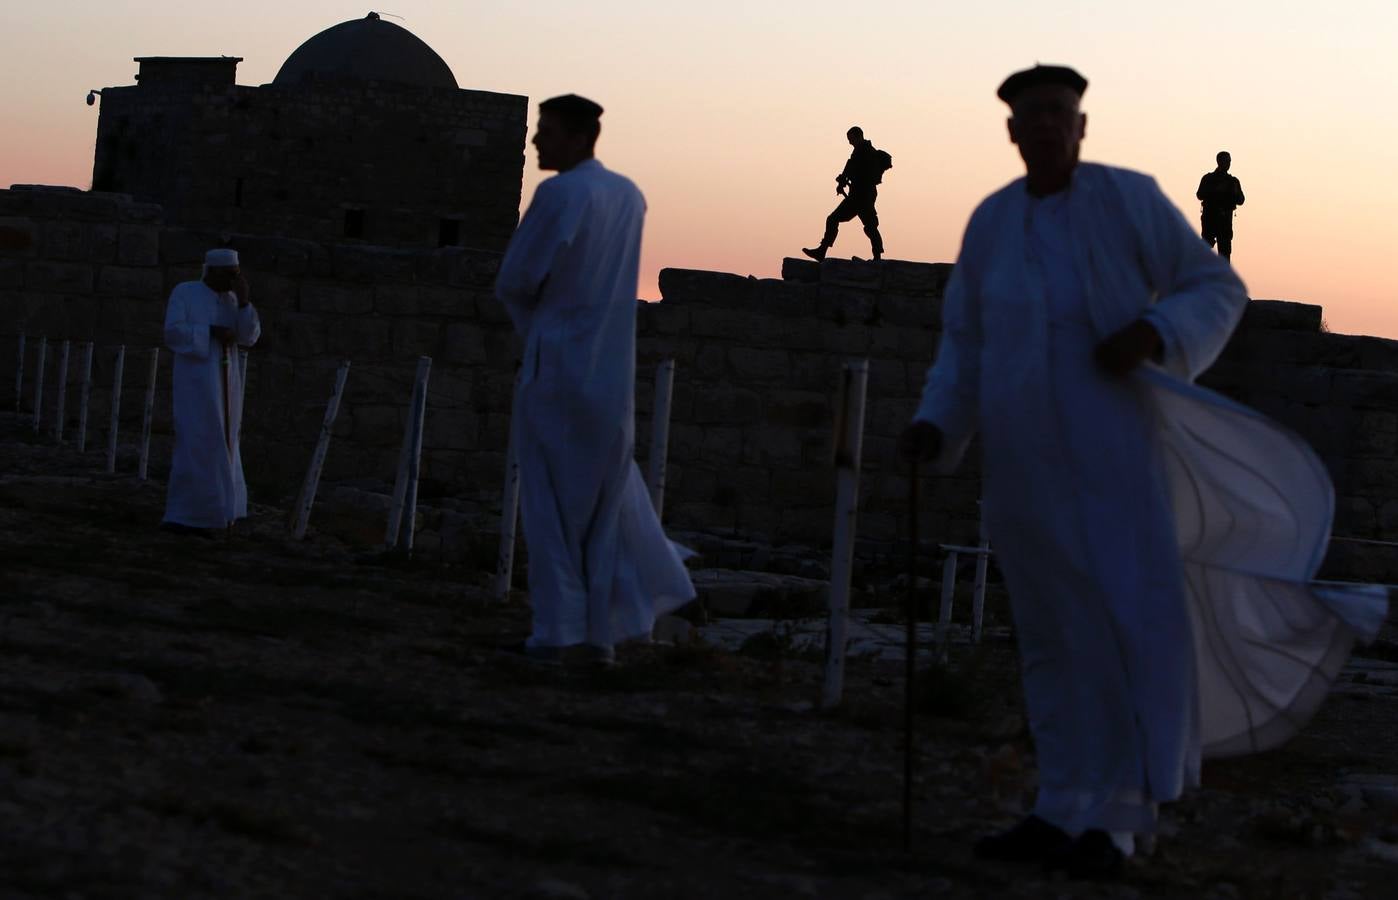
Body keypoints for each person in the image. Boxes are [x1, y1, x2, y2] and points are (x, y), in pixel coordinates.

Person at [899, 65, 1386, 879]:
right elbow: (966, 342)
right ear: (1012, 132)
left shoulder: (1128, 199)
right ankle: (1059, 805)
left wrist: (1156, 332)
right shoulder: (990, 224)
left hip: (1115, 456)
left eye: (1061, 113)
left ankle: (1116, 825)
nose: (1048, 126)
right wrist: (937, 423)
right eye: (1032, 116)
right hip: (1023, 465)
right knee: (1052, 638)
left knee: (1123, 629)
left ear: (1081, 126)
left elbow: (1214, 284)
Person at [494, 94, 695, 666]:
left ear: (579, 138)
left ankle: (560, 634)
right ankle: (602, 634)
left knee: (552, 508)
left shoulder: (560, 193)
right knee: (600, 510)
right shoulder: (628, 195)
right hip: (609, 374)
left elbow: (517, 278)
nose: (536, 142)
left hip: (558, 367)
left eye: (547, 131)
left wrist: (540, 331)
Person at [161, 248, 261, 536]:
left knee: (226, 440)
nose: (233, 280)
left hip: (226, 382)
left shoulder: (231, 300)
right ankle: (188, 513)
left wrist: (244, 302)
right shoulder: (185, 292)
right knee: (197, 441)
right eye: (229, 275)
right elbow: (174, 332)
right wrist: (210, 332)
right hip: (196, 383)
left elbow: (249, 336)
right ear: (212, 271)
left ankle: (225, 511)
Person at [802, 126, 888, 262]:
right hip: (858, 195)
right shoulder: (859, 152)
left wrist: (844, 180)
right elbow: (851, 170)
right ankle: (822, 251)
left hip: (862, 196)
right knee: (839, 220)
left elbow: (858, 172)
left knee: (868, 225)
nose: (849, 142)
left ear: (858, 136)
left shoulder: (866, 152)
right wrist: (843, 181)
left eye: (851, 139)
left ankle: (877, 256)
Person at [1196, 151, 1245, 260]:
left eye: (1229, 161)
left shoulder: (1233, 182)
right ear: (1219, 162)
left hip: (1225, 223)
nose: (1228, 163)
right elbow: (1199, 195)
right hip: (1210, 221)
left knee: (1224, 254)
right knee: (1205, 253)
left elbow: (1241, 200)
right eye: (1226, 161)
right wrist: (1214, 192)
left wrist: (1233, 193)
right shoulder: (1208, 179)